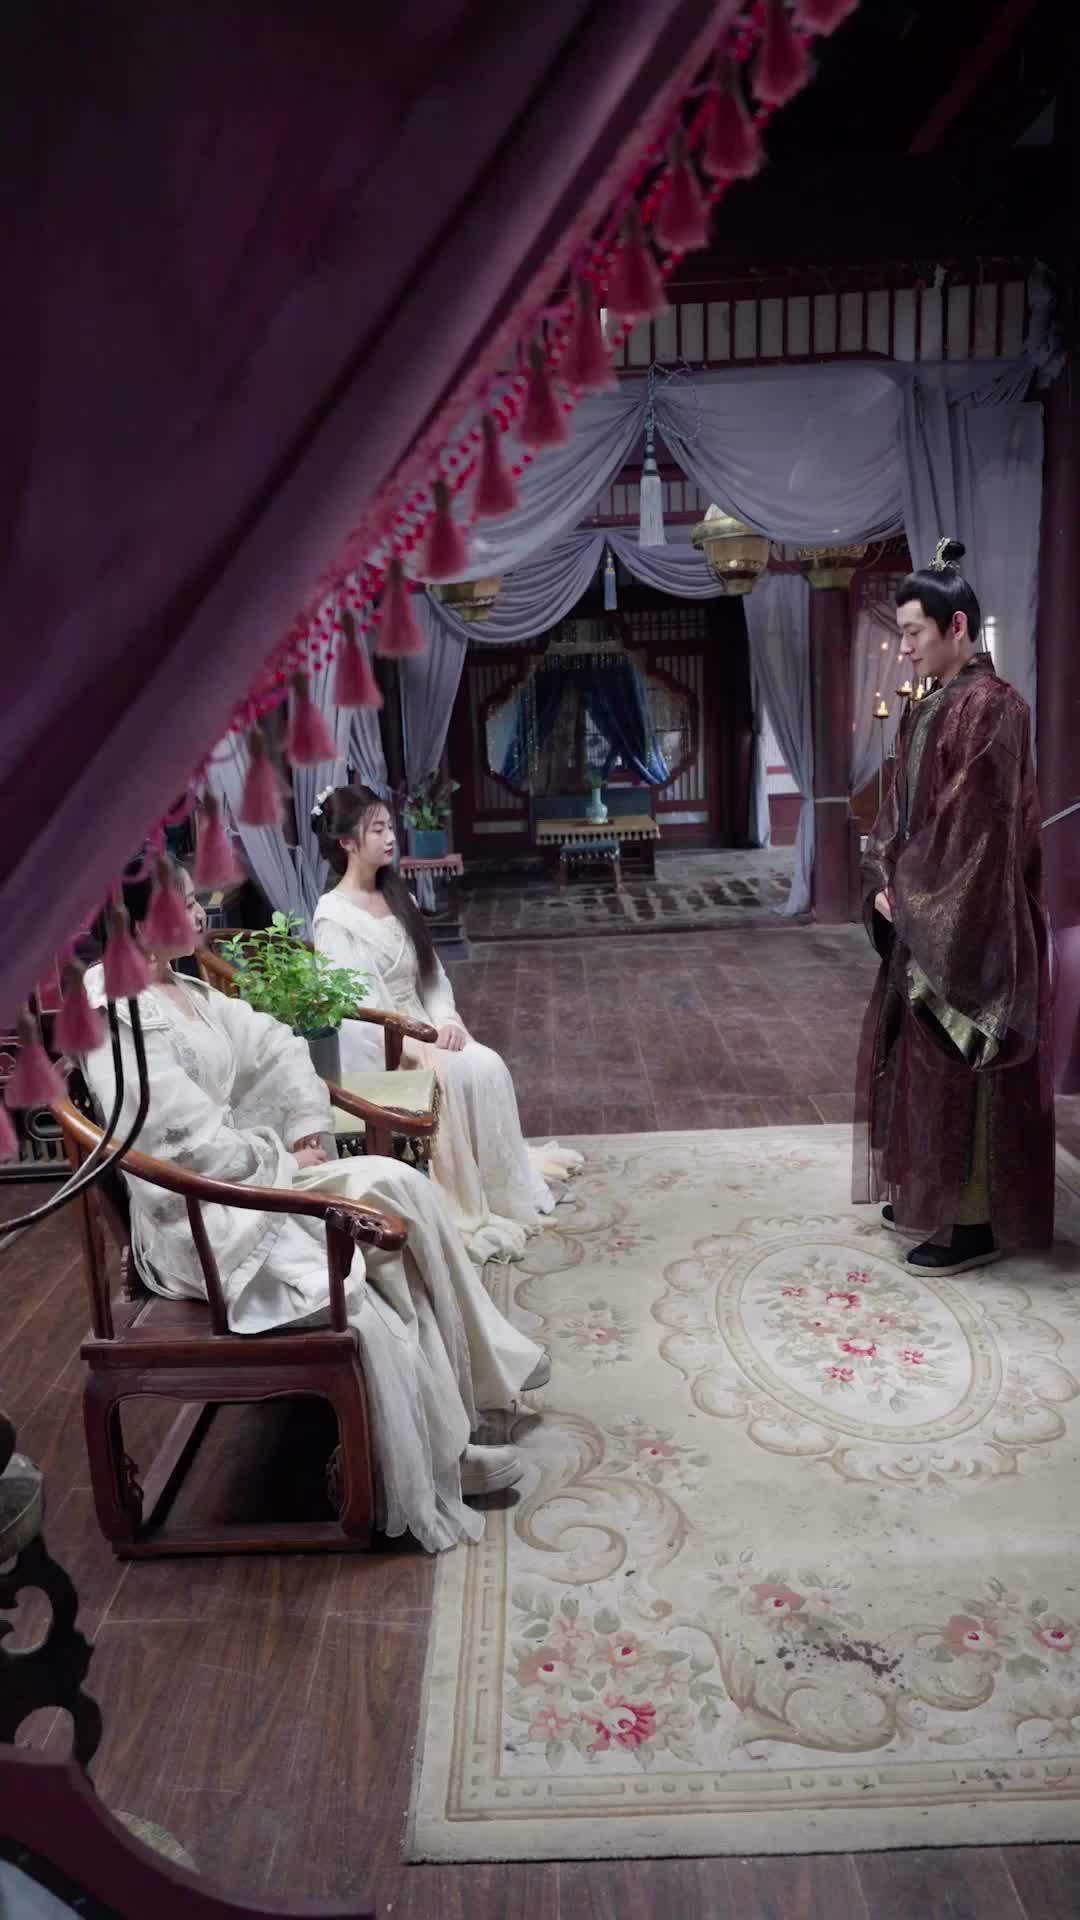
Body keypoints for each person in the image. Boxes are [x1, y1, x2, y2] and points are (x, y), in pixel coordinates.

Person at [81, 858, 551, 1555]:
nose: (200, 910)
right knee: (364, 1282)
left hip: (257, 1178)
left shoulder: (180, 985)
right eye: (183, 901)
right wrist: (280, 1159)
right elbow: (177, 1143)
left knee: (405, 1189)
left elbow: (274, 1045)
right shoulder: (113, 1012)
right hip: (204, 1222)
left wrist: (304, 1128)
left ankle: (477, 1382)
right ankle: (433, 1458)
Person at [854, 538, 1054, 1274]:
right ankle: (931, 1192)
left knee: (962, 1060)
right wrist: (885, 872)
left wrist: (911, 891)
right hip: (926, 901)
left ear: (958, 627)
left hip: (976, 913)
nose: (905, 648)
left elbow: (977, 828)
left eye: (914, 633)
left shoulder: (995, 706)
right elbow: (902, 811)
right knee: (919, 1061)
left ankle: (973, 1221)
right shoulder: (931, 704)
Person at [312, 786, 581, 1264]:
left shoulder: (398, 895)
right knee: (465, 1071)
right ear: (347, 842)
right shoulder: (334, 918)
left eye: (390, 827)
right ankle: (465, 1196)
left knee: (487, 1065)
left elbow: (430, 974)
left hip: (426, 1026)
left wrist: (446, 1019)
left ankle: (502, 1186)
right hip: (387, 1044)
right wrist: (416, 1043)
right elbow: (358, 1011)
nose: (391, 838)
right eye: (378, 830)